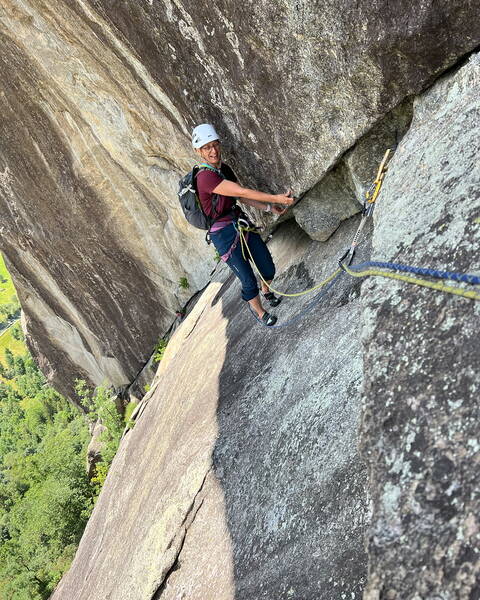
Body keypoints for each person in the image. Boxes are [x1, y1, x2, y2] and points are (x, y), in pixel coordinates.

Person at [192, 123, 294, 326]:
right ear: (198, 151)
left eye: (215, 145)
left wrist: (269, 207)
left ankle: (266, 291)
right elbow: (242, 192)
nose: (213, 151)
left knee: (267, 267)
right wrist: (277, 198)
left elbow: (240, 197)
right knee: (248, 280)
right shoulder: (204, 178)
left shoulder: (224, 170)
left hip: (240, 224)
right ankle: (259, 312)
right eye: (206, 148)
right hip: (223, 235)